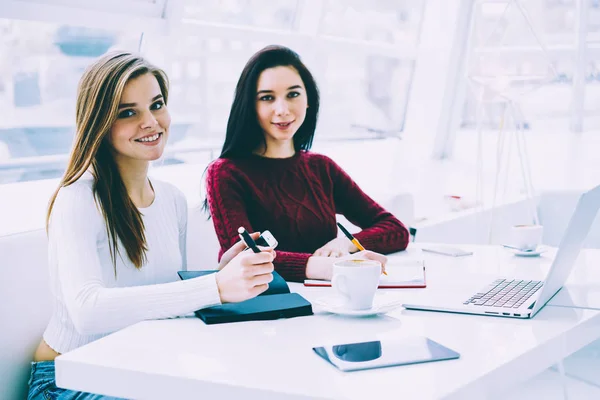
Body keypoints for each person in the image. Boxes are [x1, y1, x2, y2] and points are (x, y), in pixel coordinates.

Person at [28, 51, 275, 400]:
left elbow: (165, 298)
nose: (151, 122)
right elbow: (87, 312)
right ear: (100, 123)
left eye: (156, 105)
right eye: (128, 112)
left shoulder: (172, 200)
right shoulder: (78, 199)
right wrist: (214, 288)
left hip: (138, 369)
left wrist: (218, 276)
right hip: (68, 380)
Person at [205, 45, 409, 283]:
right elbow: (244, 256)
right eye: (267, 98)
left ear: (308, 100)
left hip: (333, 299)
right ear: (251, 105)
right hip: (271, 309)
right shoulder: (226, 173)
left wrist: (347, 244)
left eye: (293, 94)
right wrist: (328, 267)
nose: (282, 110)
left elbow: (396, 230)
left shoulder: (321, 168)